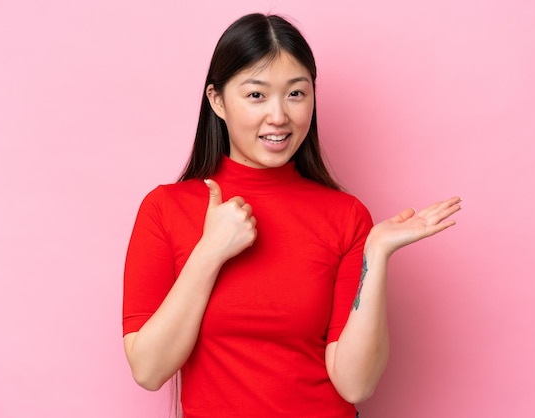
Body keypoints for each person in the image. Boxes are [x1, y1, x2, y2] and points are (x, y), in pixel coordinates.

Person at [122, 13, 461, 418]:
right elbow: (149, 368)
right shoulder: (165, 209)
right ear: (217, 101)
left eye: (296, 94)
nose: (280, 116)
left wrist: (376, 253)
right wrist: (209, 252)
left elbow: (356, 383)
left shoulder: (347, 216)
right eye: (256, 95)